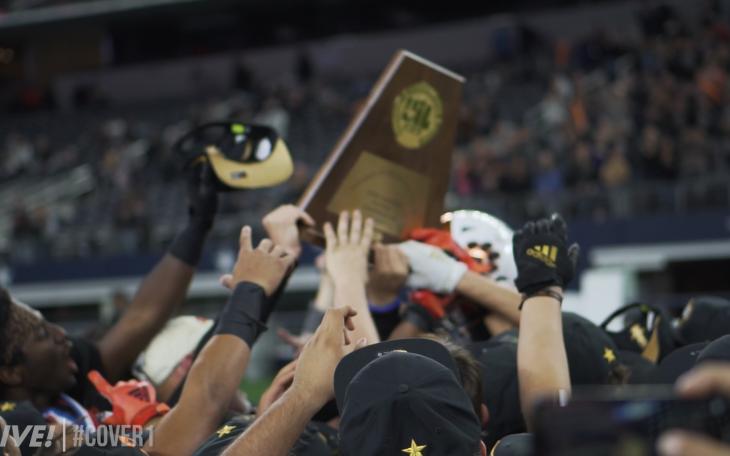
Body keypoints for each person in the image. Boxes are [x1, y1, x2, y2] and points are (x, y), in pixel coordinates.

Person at [0, 165, 219, 429]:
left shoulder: (63, 382)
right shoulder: (21, 434)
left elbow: (140, 320)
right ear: (11, 373)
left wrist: (198, 224)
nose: (62, 335)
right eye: (42, 335)